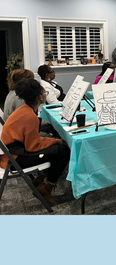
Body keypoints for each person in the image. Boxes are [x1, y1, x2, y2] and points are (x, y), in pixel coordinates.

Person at [0, 79, 70, 207]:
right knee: (64, 151)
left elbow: (34, 140)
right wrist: (55, 141)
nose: (45, 94)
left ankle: (42, 178)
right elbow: (33, 146)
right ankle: (46, 187)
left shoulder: (25, 110)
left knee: (57, 146)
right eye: (44, 92)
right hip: (14, 159)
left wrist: (54, 141)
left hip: (13, 152)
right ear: (39, 97)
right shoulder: (29, 116)